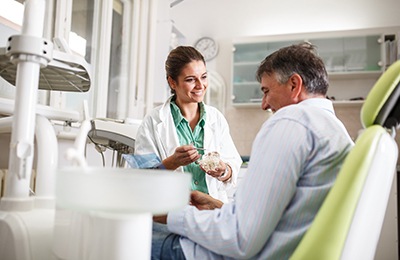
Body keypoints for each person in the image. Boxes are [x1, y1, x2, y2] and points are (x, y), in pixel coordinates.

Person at [151, 42, 354, 259]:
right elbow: (275, 217)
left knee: (129, 238)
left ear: (294, 85)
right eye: (191, 79)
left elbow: (239, 237)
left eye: (266, 91)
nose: (264, 104)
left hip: (224, 251)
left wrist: (173, 215)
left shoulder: (291, 122)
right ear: (173, 83)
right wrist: (218, 206)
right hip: (253, 239)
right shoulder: (334, 129)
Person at [134, 46, 242, 203]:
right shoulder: (153, 121)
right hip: (171, 213)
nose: (200, 85)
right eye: (190, 79)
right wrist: (172, 162)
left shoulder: (216, 119)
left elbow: (233, 165)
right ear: (172, 82)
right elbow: (141, 178)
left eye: (204, 77)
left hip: (211, 213)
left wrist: (223, 170)